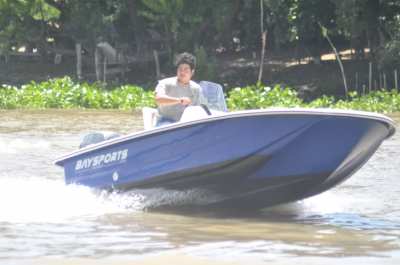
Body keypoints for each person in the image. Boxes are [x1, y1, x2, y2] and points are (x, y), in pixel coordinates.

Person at [155, 52, 206, 125]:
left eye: (186, 69)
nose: (182, 72)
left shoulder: (196, 88)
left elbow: (202, 108)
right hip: (165, 120)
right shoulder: (165, 83)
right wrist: (179, 100)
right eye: (180, 69)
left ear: (192, 72)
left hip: (186, 123)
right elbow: (158, 99)